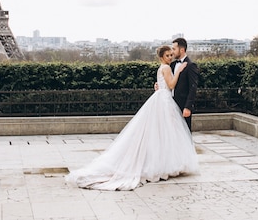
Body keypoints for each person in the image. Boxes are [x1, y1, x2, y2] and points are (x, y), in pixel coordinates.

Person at [65, 45, 199, 190]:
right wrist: (178, 71)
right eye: (167, 55)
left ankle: (165, 163)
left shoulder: (162, 67)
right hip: (164, 100)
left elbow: (164, 84)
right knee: (165, 133)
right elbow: (171, 84)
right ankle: (166, 163)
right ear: (161, 57)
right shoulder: (166, 68)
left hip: (162, 98)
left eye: (170, 55)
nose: (170, 57)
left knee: (162, 133)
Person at [170, 37, 199, 131]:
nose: (172, 52)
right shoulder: (172, 65)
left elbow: (193, 87)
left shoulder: (191, 66)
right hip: (170, 104)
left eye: (174, 49)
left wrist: (187, 107)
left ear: (181, 50)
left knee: (185, 134)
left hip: (183, 106)